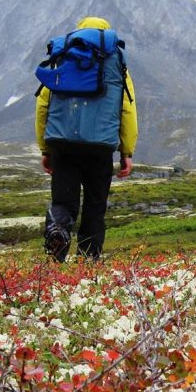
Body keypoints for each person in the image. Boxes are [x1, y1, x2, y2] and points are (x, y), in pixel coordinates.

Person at [35, 16, 137, 261]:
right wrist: (126, 152)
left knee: (63, 202)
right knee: (95, 206)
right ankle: (87, 262)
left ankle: (58, 233)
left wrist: (45, 149)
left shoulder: (64, 56)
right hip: (100, 148)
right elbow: (127, 109)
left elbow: (43, 105)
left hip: (63, 145)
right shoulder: (115, 61)